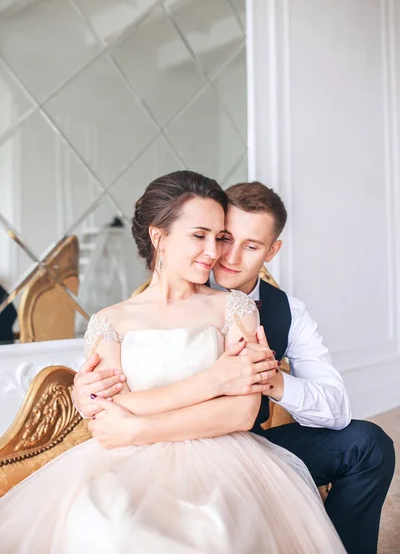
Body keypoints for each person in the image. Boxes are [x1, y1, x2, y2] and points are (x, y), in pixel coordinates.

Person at [0, 171, 345, 554]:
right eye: (201, 236)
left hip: (225, 457)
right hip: (123, 461)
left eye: (219, 237)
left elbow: (242, 413)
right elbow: (110, 411)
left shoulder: (234, 307)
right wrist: (214, 382)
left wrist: (136, 426)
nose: (215, 253)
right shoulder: (110, 321)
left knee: (214, 526)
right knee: (106, 520)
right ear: (159, 236)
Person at [76, 180, 395, 554]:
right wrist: (85, 394)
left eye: (251, 246)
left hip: (243, 444)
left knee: (370, 444)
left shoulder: (272, 310)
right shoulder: (145, 299)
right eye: (223, 237)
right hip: (147, 447)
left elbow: (333, 407)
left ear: (272, 251)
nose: (223, 255)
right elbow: (109, 378)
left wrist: (274, 382)